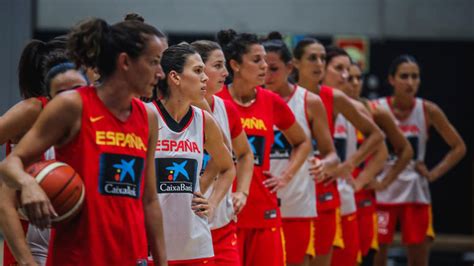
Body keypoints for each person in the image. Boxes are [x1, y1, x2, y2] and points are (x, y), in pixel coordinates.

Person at [0, 18, 168, 265]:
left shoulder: (149, 116)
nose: (160, 73)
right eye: (153, 62)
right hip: (78, 256)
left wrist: (162, 263)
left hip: (131, 257)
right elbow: (10, 163)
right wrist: (28, 183)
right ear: (125, 62)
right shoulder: (73, 105)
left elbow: (150, 200)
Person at [216, 29, 312, 266]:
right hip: (225, 214)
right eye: (257, 60)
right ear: (235, 65)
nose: (264, 67)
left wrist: (285, 177)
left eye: (267, 62)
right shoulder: (215, 101)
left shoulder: (271, 101)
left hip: (264, 211)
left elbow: (302, 142)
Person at [292, 39, 384, 266]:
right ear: (295, 63)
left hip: (328, 193)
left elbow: (377, 137)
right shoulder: (282, 95)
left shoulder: (336, 99)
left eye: (323, 58)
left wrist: (349, 166)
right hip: (293, 193)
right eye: (313, 58)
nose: (319, 64)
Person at [0, 37, 88, 266]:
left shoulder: (86, 113)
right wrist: (17, 187)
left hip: (69, 237)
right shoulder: (34, 108)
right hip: (29, 242)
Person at [373, 55, 466, 266]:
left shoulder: (427, 110)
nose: (410, 82)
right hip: (381, 189)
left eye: (415, 77)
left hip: (415, 192)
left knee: (418, 256)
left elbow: (459, 147)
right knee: (377, 254)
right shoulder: (376, 109)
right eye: (404, 76)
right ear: (391, 80)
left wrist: (433, 173)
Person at [149, 43, 235, 265]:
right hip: (151, 242)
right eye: (197, 71)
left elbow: (227, 167)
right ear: (175, 77)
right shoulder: (147, 115)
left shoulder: (204, 120)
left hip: (195, 243)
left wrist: (212, 203)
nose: (205, 77)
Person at [262, 32, 340, 266]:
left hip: (296, 204)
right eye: (261, 66)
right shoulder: (247, 100)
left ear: (289, 67)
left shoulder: (309, 102)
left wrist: (325, 164)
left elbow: (332, 154)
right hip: (258, 206)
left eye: (273, 68)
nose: (266, 74)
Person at [191, 40, 254, 266]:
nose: (225, 73)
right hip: (186, 228)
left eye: (225, 65)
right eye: (217, 65)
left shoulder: (226, 108)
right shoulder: (172, 110)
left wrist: (242, 193)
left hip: (222, 227)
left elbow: (245, 155)